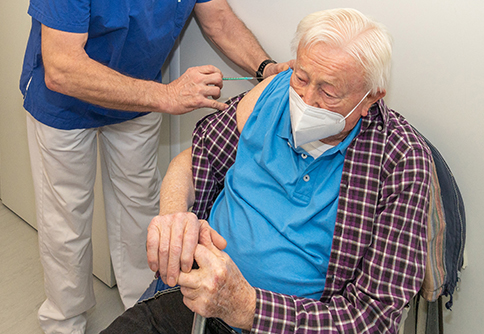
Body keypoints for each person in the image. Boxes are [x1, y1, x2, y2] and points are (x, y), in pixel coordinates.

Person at [103, 8, 433, 334]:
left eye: (329, 92)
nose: (305, 100)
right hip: (195, 297)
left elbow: (373, 319)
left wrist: (246, 306)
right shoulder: (272, 93)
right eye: (301, 78)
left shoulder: (401, 161)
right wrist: (174, 215)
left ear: (370, 99)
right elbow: (192, 161)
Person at [19, 0, 290, 332]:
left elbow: (217, 17)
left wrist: (266, 67)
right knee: (65, 224)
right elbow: (62, 67)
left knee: (140, 214)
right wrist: (168, 96)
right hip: (66, 104)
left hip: (139, 98)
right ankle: (63, 323)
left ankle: (141, 311)